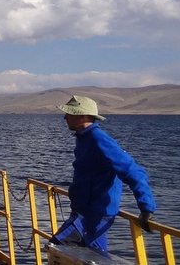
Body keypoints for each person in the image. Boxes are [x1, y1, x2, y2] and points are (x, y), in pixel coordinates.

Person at [49, 95, 156, 254]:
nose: (65, 117)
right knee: (94, 257)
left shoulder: (98, 139)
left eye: (69, 113)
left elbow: (132, 170)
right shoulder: (84, 138)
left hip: (94, 215)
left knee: (57, 249)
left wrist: (146, 207)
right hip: (85, 211)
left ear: (83, 116)